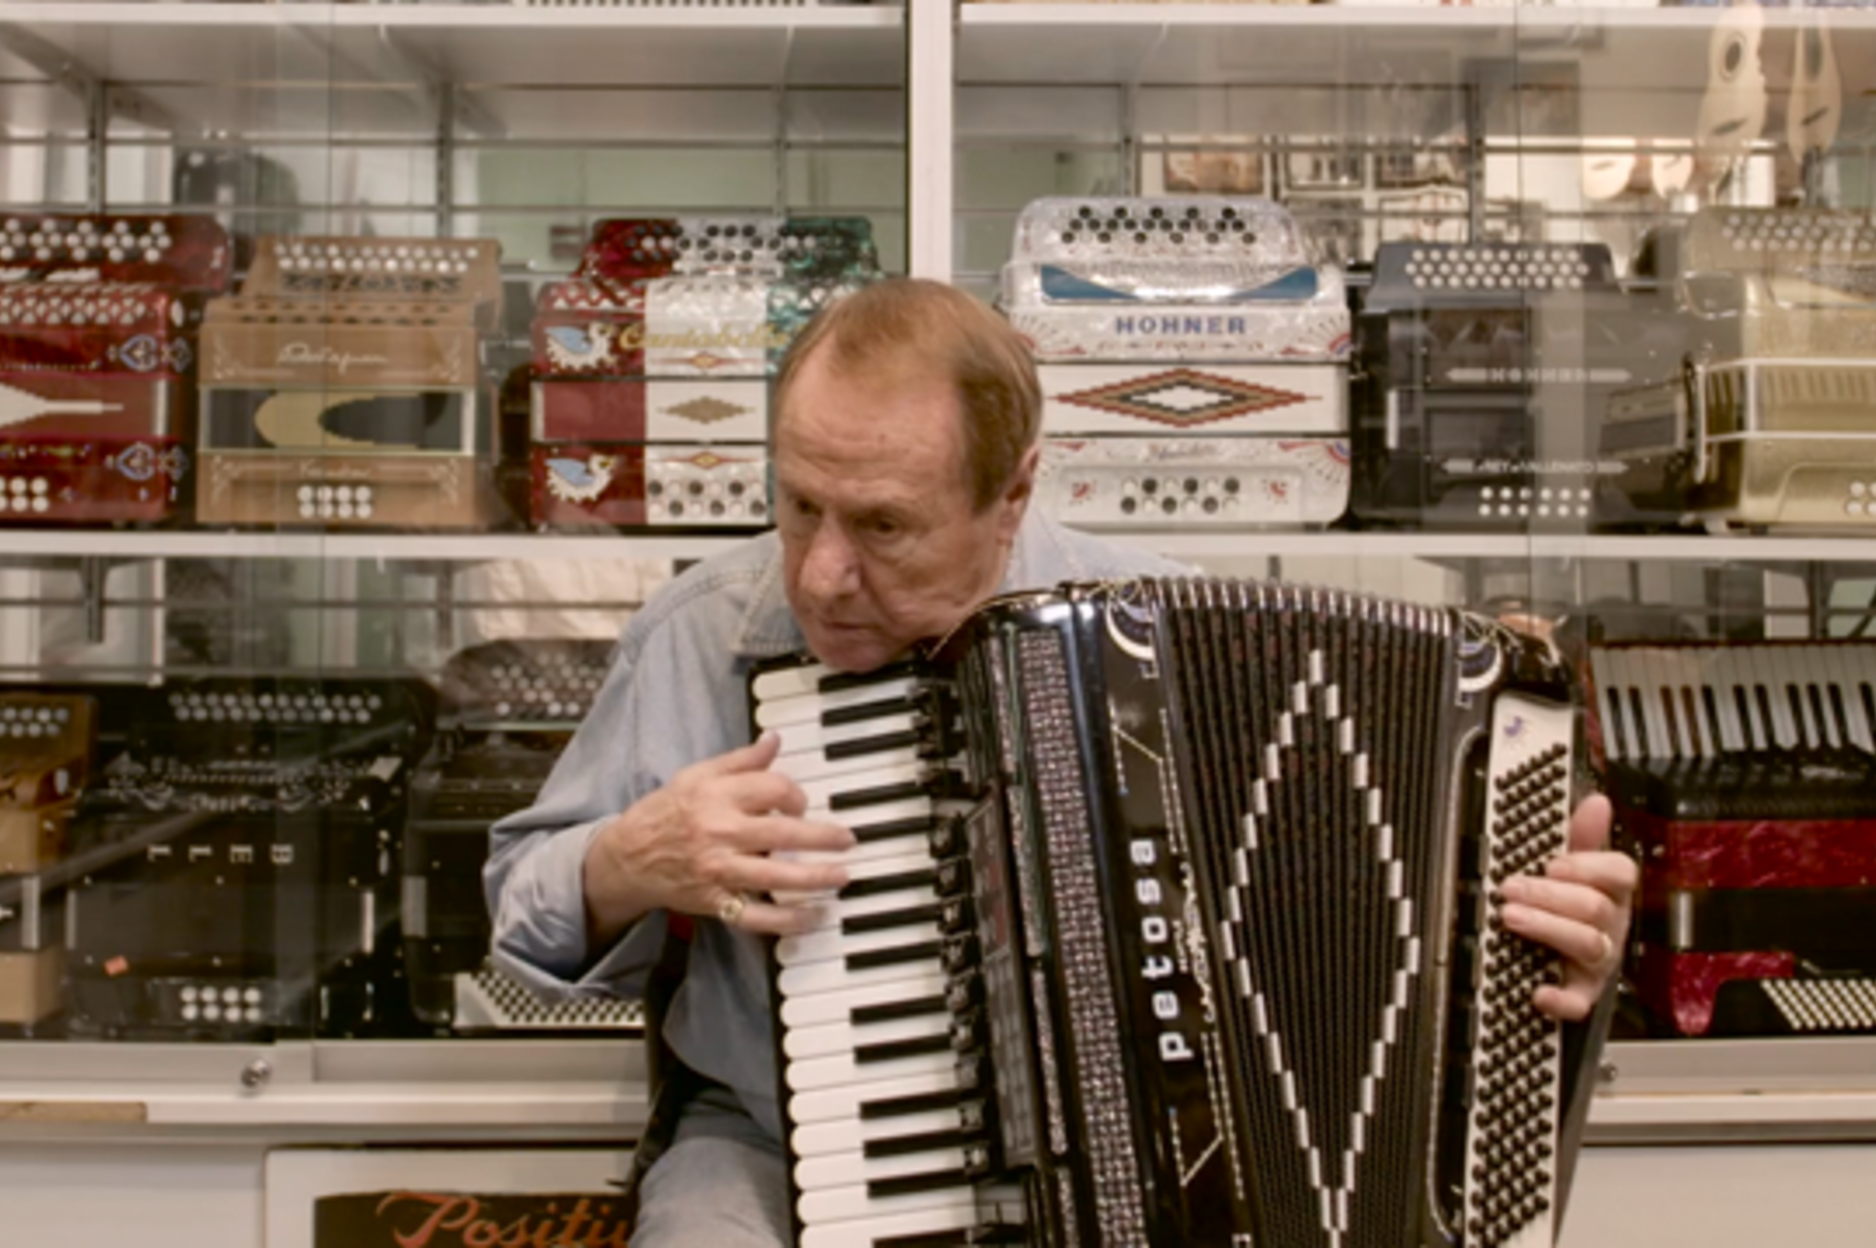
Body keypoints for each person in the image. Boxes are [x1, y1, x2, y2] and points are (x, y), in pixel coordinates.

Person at [485, 277, 1639, 1247]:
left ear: (1014, 492)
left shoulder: (1183, 641)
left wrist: (1546, 959)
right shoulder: (702, 632)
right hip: (770, 1150)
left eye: (882, 526)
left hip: (1139, 1189)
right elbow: (518, 919)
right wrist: (628, 859)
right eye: (798, 507)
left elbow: (1389, 961)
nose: (821, 576)